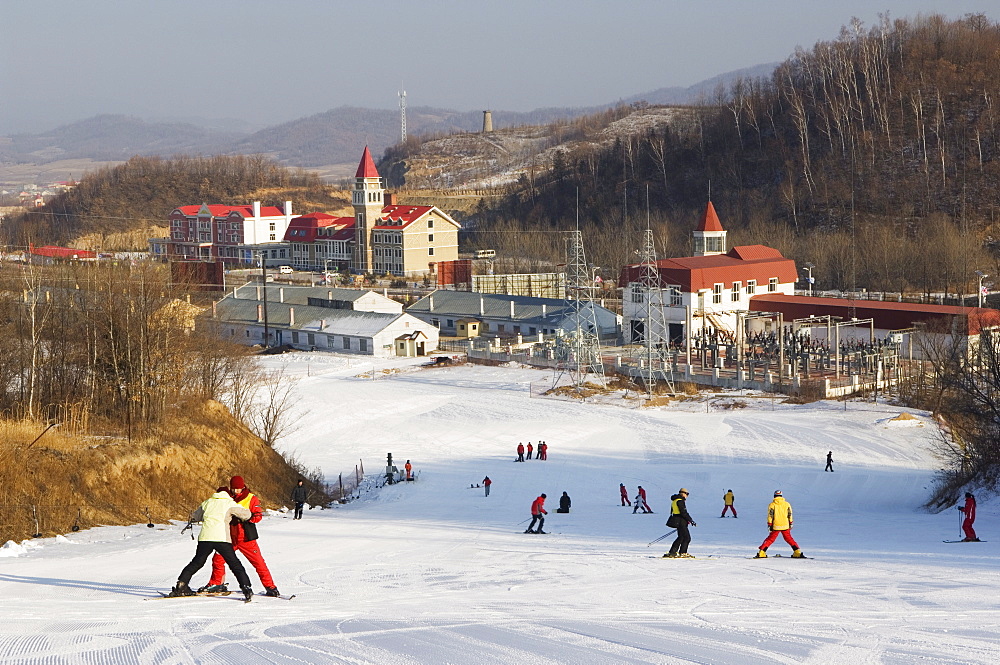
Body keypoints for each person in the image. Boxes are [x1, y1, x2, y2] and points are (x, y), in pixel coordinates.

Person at [168, 486, 255, 602]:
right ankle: (246, 588)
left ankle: (181, 585)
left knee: (197, 562)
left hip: (205, 538)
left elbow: (196, 516)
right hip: (221, 538)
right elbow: (246, 514)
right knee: (235, 564)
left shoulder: (207, 502)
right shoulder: (229, 503)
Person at [200, 476, 280, 597]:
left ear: (243, 487)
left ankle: (270, 586)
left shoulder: (251, 498)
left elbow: (258, 516)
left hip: (246, 538)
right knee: (217, 560)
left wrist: (247, 518)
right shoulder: (227, 498)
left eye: (238, 488)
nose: (236, 491)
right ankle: (216, 583)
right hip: (228, 537)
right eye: (234, 489)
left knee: (258, 563)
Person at [755, 490, 805, 558]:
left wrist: (769, 524)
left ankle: (762, 552)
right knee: (789, 539)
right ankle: (797, 552)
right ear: (781, 496)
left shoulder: (772, 505)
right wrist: (790, 523)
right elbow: (790, 514)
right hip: (785, 525)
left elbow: (770, 515)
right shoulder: (787, 504)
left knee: (770, 539)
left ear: (774, 496)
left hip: (776, 525)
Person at [664, 488, 696, 558]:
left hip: (677, 521)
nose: (687, 496)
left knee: (681, 537)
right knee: (687, 538)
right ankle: (683, 552)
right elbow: (683, 513)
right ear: (682, 493)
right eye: (687, 494)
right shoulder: (680, 501)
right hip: (681, 521)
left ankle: (672, 552)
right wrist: (690, 520)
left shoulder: (674, 500)